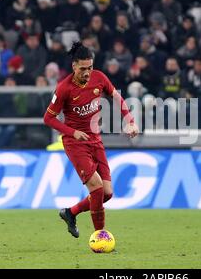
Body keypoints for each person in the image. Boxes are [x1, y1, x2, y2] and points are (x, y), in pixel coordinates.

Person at [43, 42, 138, 238]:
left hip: (95, 139)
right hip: (75, 143)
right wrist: (72, 132)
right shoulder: (64, 88)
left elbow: (116, 96)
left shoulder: (99, 78)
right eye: (83, 69)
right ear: (74, 66)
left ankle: (71, 212)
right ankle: (99, 235)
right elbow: (48, 118)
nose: (87, 72)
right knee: (96, 187)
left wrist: (130, 120)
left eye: (90, 67)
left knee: (107, 193)